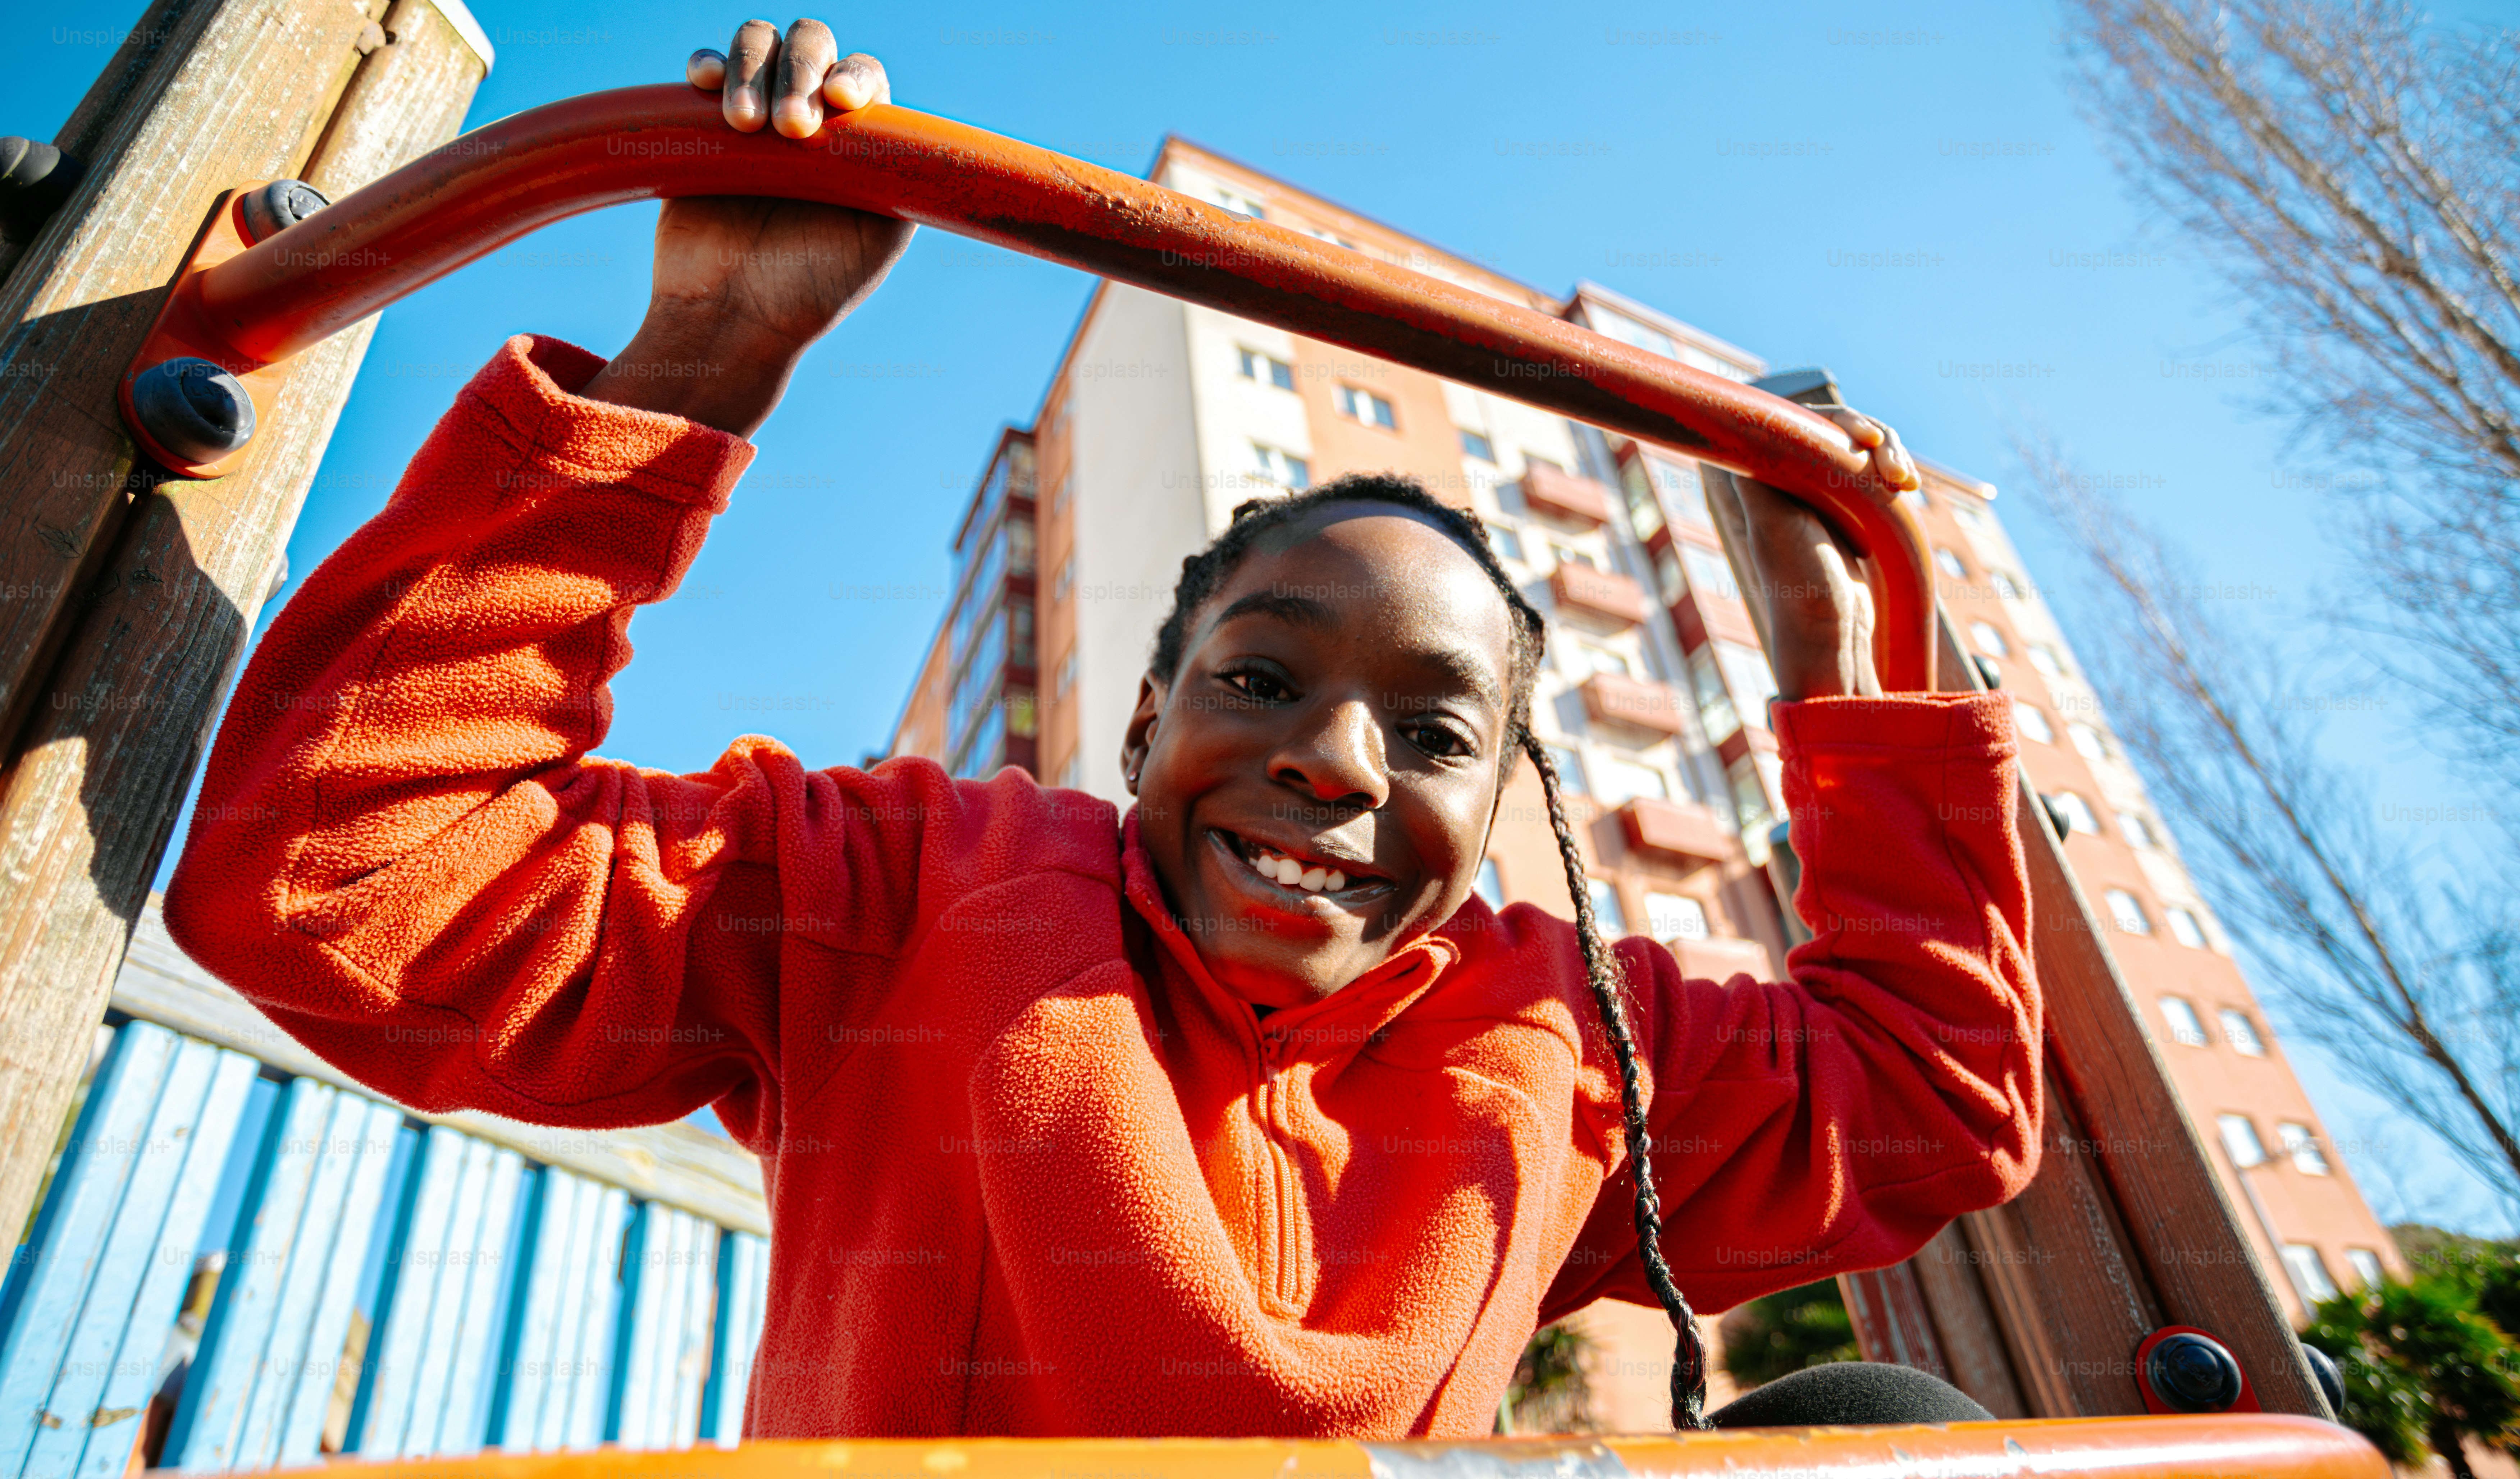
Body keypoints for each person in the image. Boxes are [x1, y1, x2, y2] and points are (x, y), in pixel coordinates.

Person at [164, 18, 2039, 1439]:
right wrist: (703, 364)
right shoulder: (914, 886)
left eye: (1437, 729)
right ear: (1148, 714)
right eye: (1262, 676)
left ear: (1504, 794)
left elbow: (1937, 1102)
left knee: (1888, 1434)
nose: (1337, 758)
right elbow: (346, 884)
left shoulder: (1546, 1026)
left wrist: (1827, 646)